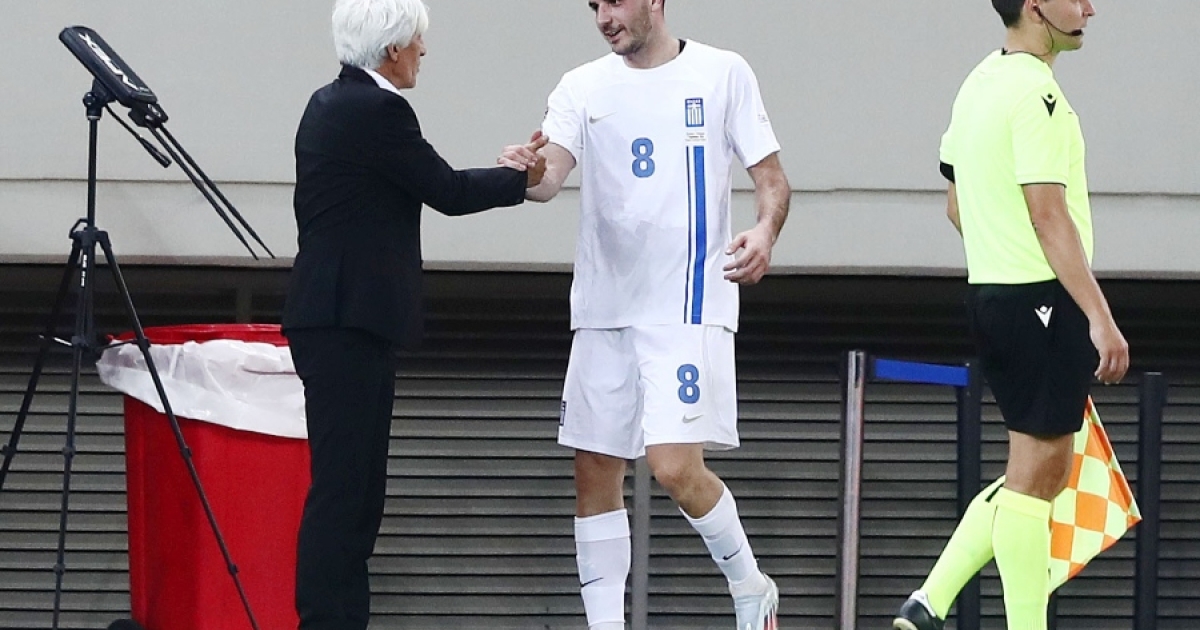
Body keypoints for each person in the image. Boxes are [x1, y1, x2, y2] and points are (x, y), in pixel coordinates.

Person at [524, 1, 791, 628]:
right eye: (594, 5)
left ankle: (750, 585)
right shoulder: (581, 85)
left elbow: (772, 180)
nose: (604, 17)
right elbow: (547, 176)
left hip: (686, 306)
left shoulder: (722, 73)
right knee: (594, 470)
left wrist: (764, 232)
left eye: (616, 1)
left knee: (673, 467)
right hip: (603, 306)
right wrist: (529, 170)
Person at [280, 0, 547, 628]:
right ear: (393, 47)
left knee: (354, 493)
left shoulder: (330, 103)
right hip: (346, 322)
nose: (424, 52)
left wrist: (508, 174)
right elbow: (446, 191)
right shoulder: (376, 110)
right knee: (346, 494)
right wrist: (520, 179)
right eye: (418, 41)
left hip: (340, 319)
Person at [892, 1, 1128, 630]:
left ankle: (929, 602)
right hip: (1041, 297)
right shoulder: (1036, 93)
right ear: (1034, 6)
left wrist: (1001, 253)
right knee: (1037, 481)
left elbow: (956, 206)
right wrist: (1099, 315)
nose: (1089, 8)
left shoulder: (977, 83)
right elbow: (1048, 213)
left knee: (1031, 470)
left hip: (993, 295)